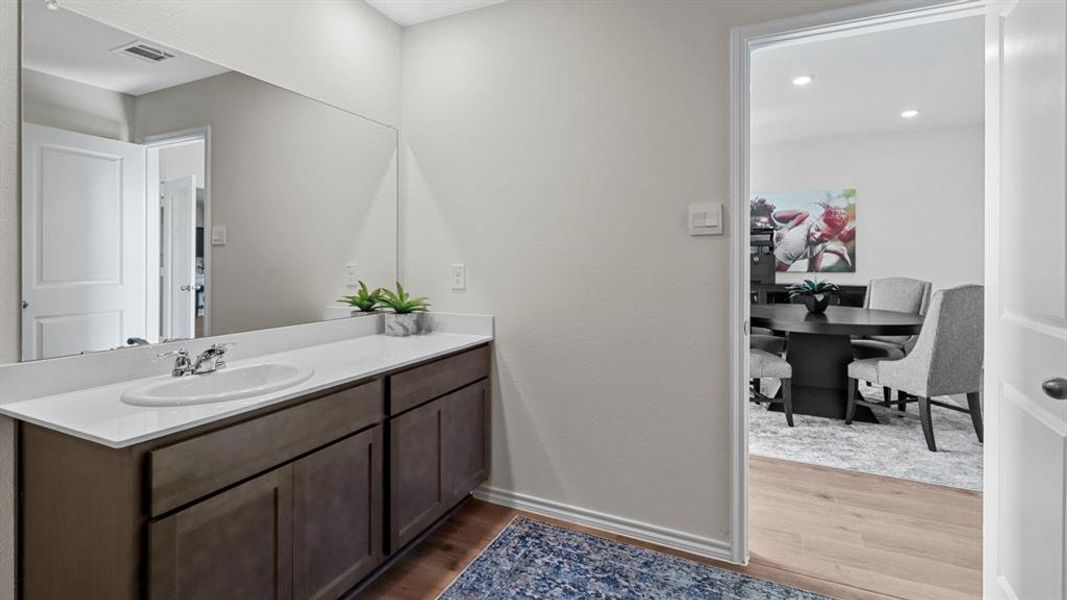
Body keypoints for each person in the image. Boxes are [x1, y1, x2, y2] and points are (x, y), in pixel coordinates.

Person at [772, 202, 855, 272]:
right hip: (795, 239)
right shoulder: (794, 243)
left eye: (826, 236)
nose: (817, 236)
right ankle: (836, 249)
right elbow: (779, 275)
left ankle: (837, 249)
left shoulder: (826, 228)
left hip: (814, 224)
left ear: (835, 236)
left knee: (814, 270)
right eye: (817, 228)